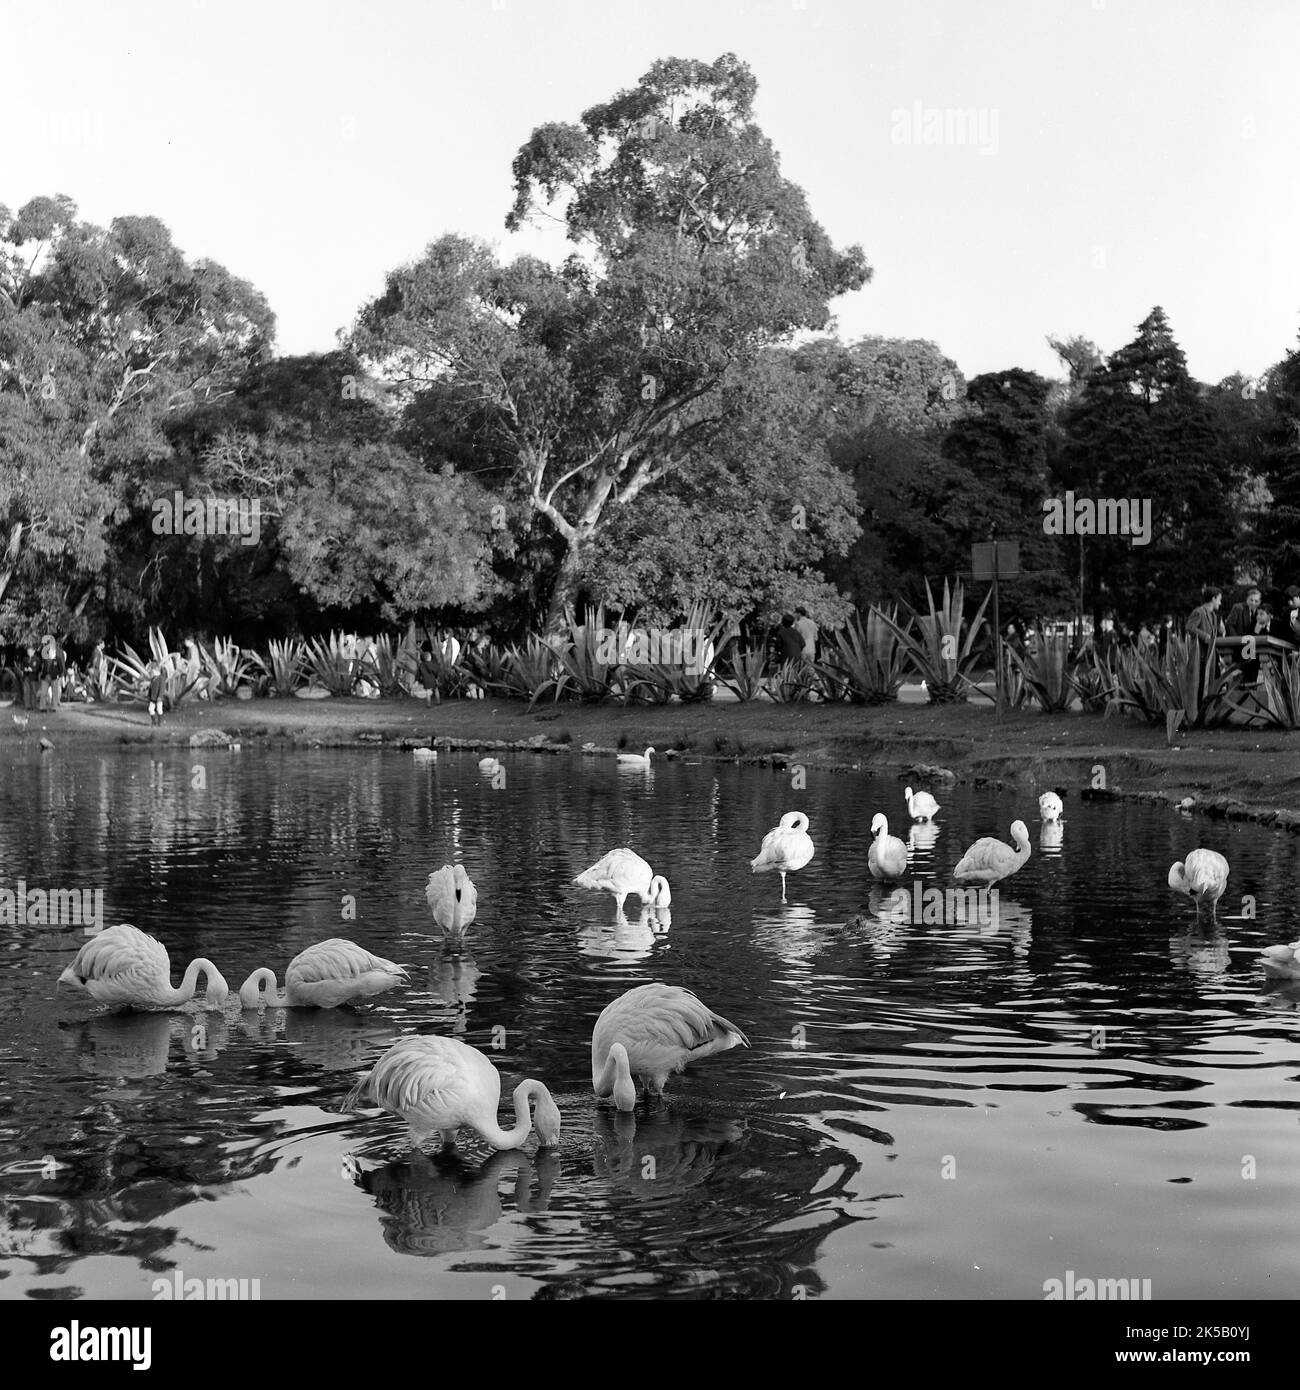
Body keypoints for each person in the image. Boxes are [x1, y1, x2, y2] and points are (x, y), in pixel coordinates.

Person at [20, 644, 40, 711]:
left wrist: (33, 670)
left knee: (33, 692)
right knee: (26, 691)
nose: (29, 652)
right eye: (28, 651)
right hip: (26, 677)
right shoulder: (25, 659)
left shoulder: (37, 659)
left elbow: (39, 668)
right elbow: (21, 667)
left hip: (34, 678)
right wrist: (24, 669)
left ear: (33, 651)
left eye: (30, 651)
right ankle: (27, 706)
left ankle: (34, 706)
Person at [147, 661, 166, 727]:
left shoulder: (161, 679)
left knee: (159, 709)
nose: (152, 672)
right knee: (150, 709)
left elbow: (162, 689)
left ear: (156, 670)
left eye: (153, 670)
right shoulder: (153, 679)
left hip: (158, 698)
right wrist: (149, 695)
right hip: (153, 697)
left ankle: (159, 723)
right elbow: (150, 688)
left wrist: (160, 697)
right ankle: (154, 721)